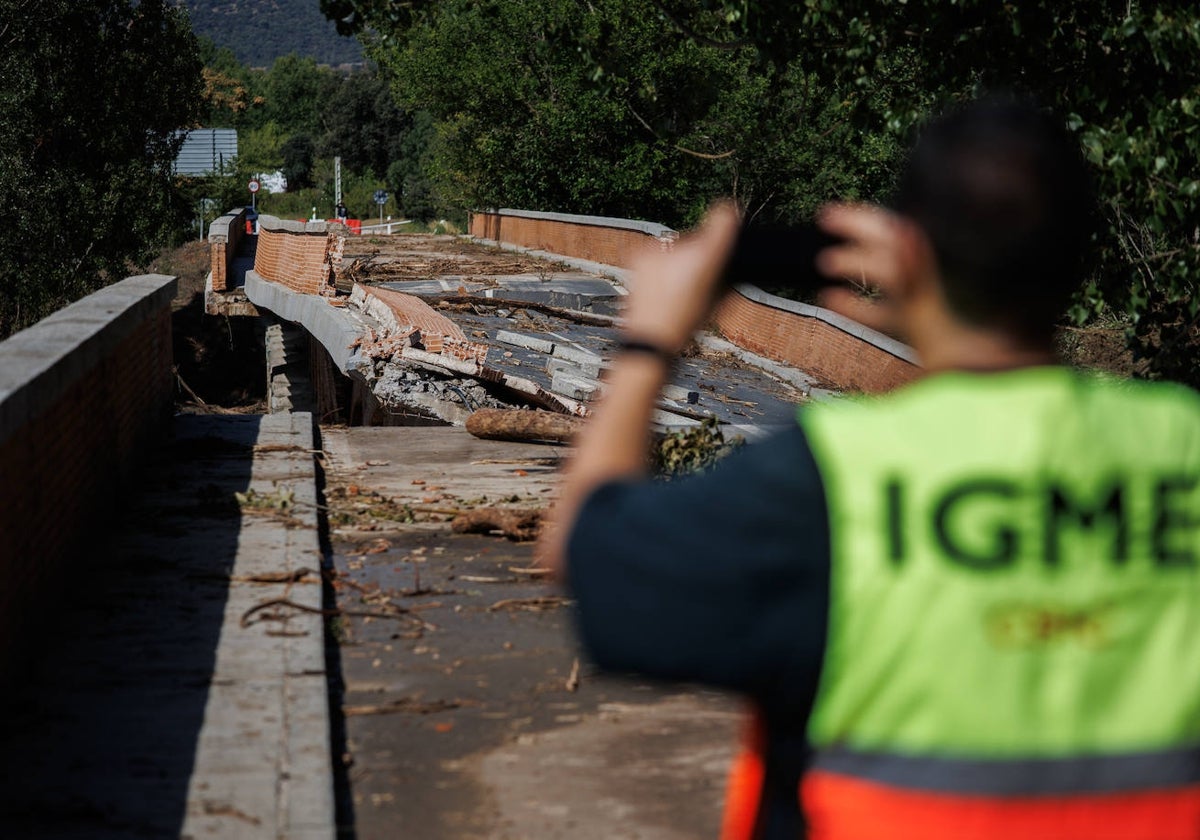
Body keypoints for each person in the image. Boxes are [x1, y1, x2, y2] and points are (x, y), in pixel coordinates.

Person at [540, 97, 1200, 840]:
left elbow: (588, 554)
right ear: (1079, 255)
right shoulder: (1182, 444)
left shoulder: (834, 478)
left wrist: (649, 343)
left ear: (910, 255)